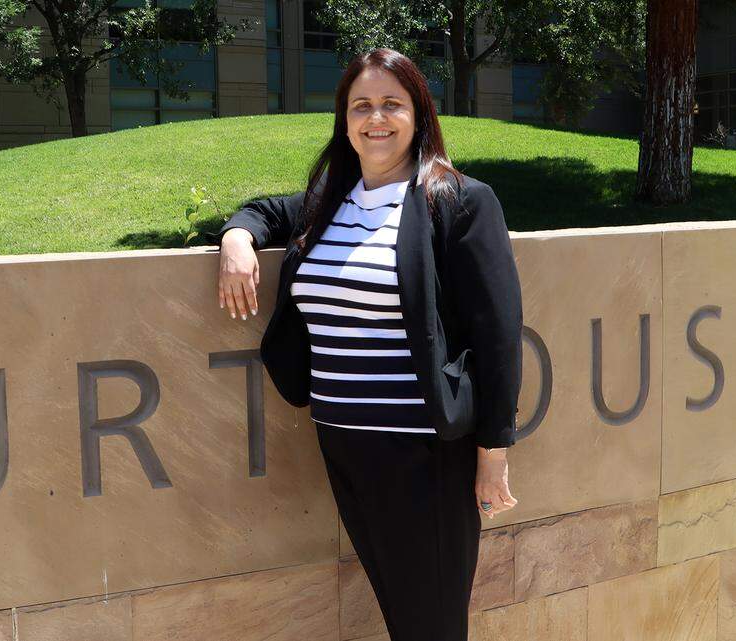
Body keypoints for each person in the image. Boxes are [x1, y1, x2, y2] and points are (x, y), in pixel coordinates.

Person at [208, 48, 523, 641]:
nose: (375, 118)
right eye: (361, 105)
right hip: (344, 442)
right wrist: (237, 237)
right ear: (344, 119)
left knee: (430, 623)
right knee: (403, 611)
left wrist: (493, 458)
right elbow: (267, 212)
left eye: (391, 104)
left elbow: (498, 337)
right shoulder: (333, 200)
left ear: (419, 114)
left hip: (422, 455)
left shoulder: (457, 201)